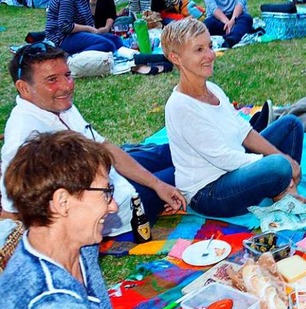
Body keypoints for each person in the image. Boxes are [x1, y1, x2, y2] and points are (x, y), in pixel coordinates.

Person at [0, 130, 275, 309]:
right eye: (105, 192)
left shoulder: (79, 245)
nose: (113, 205)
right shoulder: (54, 307)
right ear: (62, 202)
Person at [3, 42, 186, 236]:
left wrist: (157, 184)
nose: (66, 86)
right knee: (189, 168)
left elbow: (104, 147)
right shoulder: (22, 137)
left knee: (175, 150)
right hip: (120, 206)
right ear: (24, 88)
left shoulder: (58, 104)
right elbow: (13, 212)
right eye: (51, 80)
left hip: (111, 174)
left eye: (67, 75)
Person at [162, 18, 306, 218]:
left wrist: (280, 157)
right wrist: (278, 160)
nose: (210, 55)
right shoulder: (180, 106)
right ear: (176, 58)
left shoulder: (213, 89)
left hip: (234, 167)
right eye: (199, 50)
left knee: (291, 125)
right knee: (277, 165)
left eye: (210, 46)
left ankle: (282, 190)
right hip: (210, 192)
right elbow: (223, 158)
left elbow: (244, 131)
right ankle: (283, 189)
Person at [45, 0, 123, 55]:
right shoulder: (66, 1)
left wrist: (93, 3)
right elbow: (65, 26)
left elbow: (90, 18)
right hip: (62, 38)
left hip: (79, 34)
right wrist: (89, 29)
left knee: (116, 41)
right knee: (107, 45)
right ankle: (72, 59)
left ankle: (87, 54)